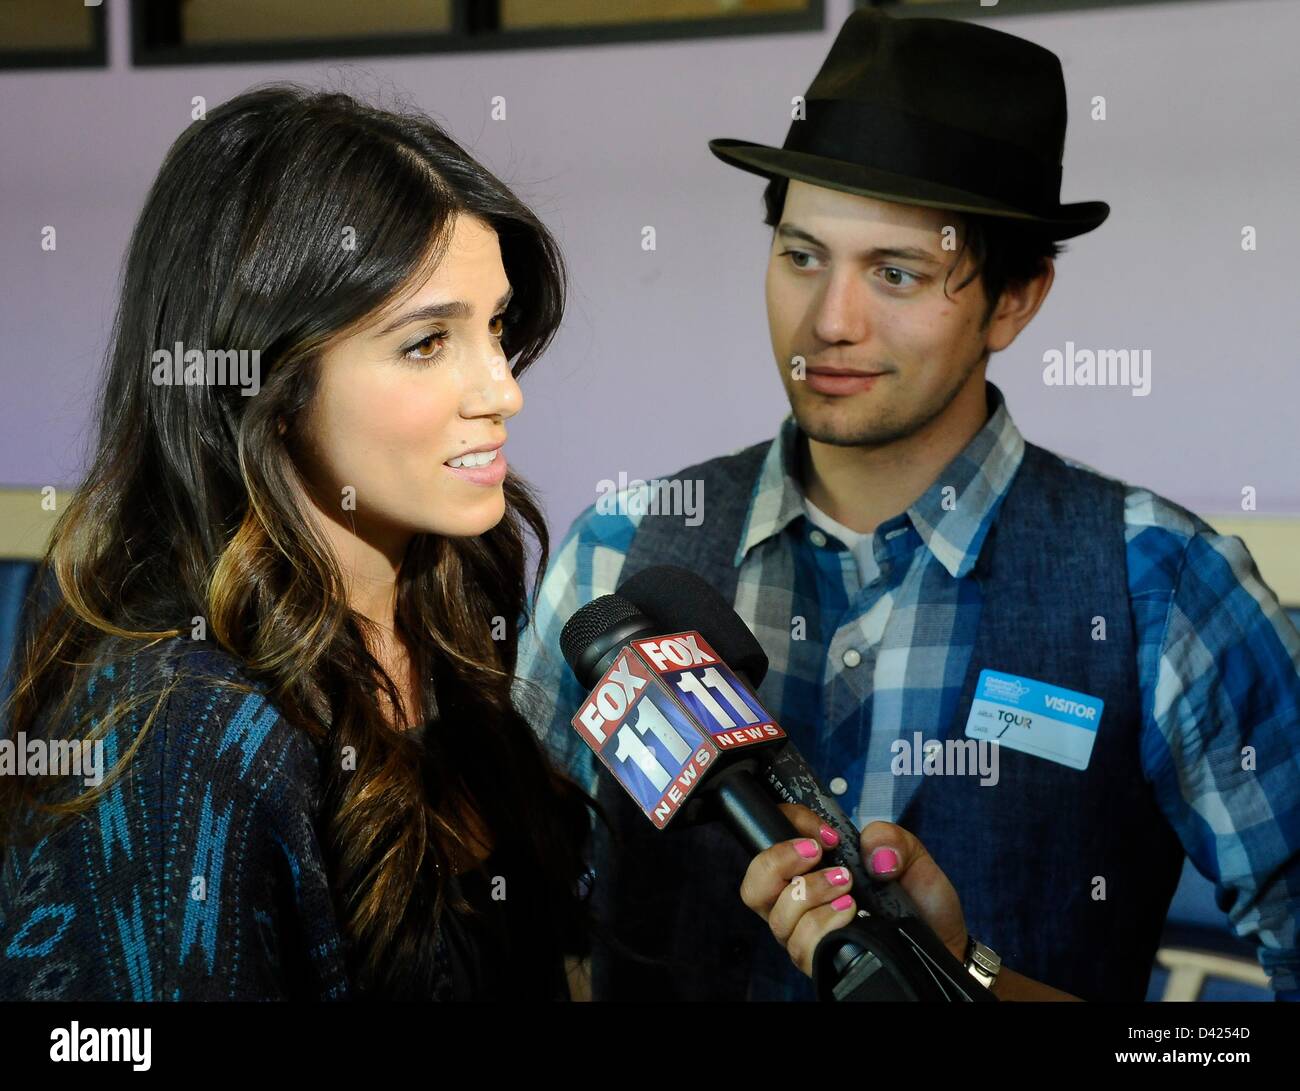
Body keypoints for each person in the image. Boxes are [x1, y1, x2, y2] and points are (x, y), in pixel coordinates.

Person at [514, 9, 1300, 1002]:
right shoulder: (615, 558)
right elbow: (514, 929)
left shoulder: (1162, 586)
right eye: (801, 255)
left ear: (1013, 301)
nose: (830, 321)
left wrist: (967, 975)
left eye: (895, 272)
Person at [0, 83, 600, 1001]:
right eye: (426, 343)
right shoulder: (185, 730)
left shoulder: (448, 599)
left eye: (496, 327)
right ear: (267, 386)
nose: (502, 390)